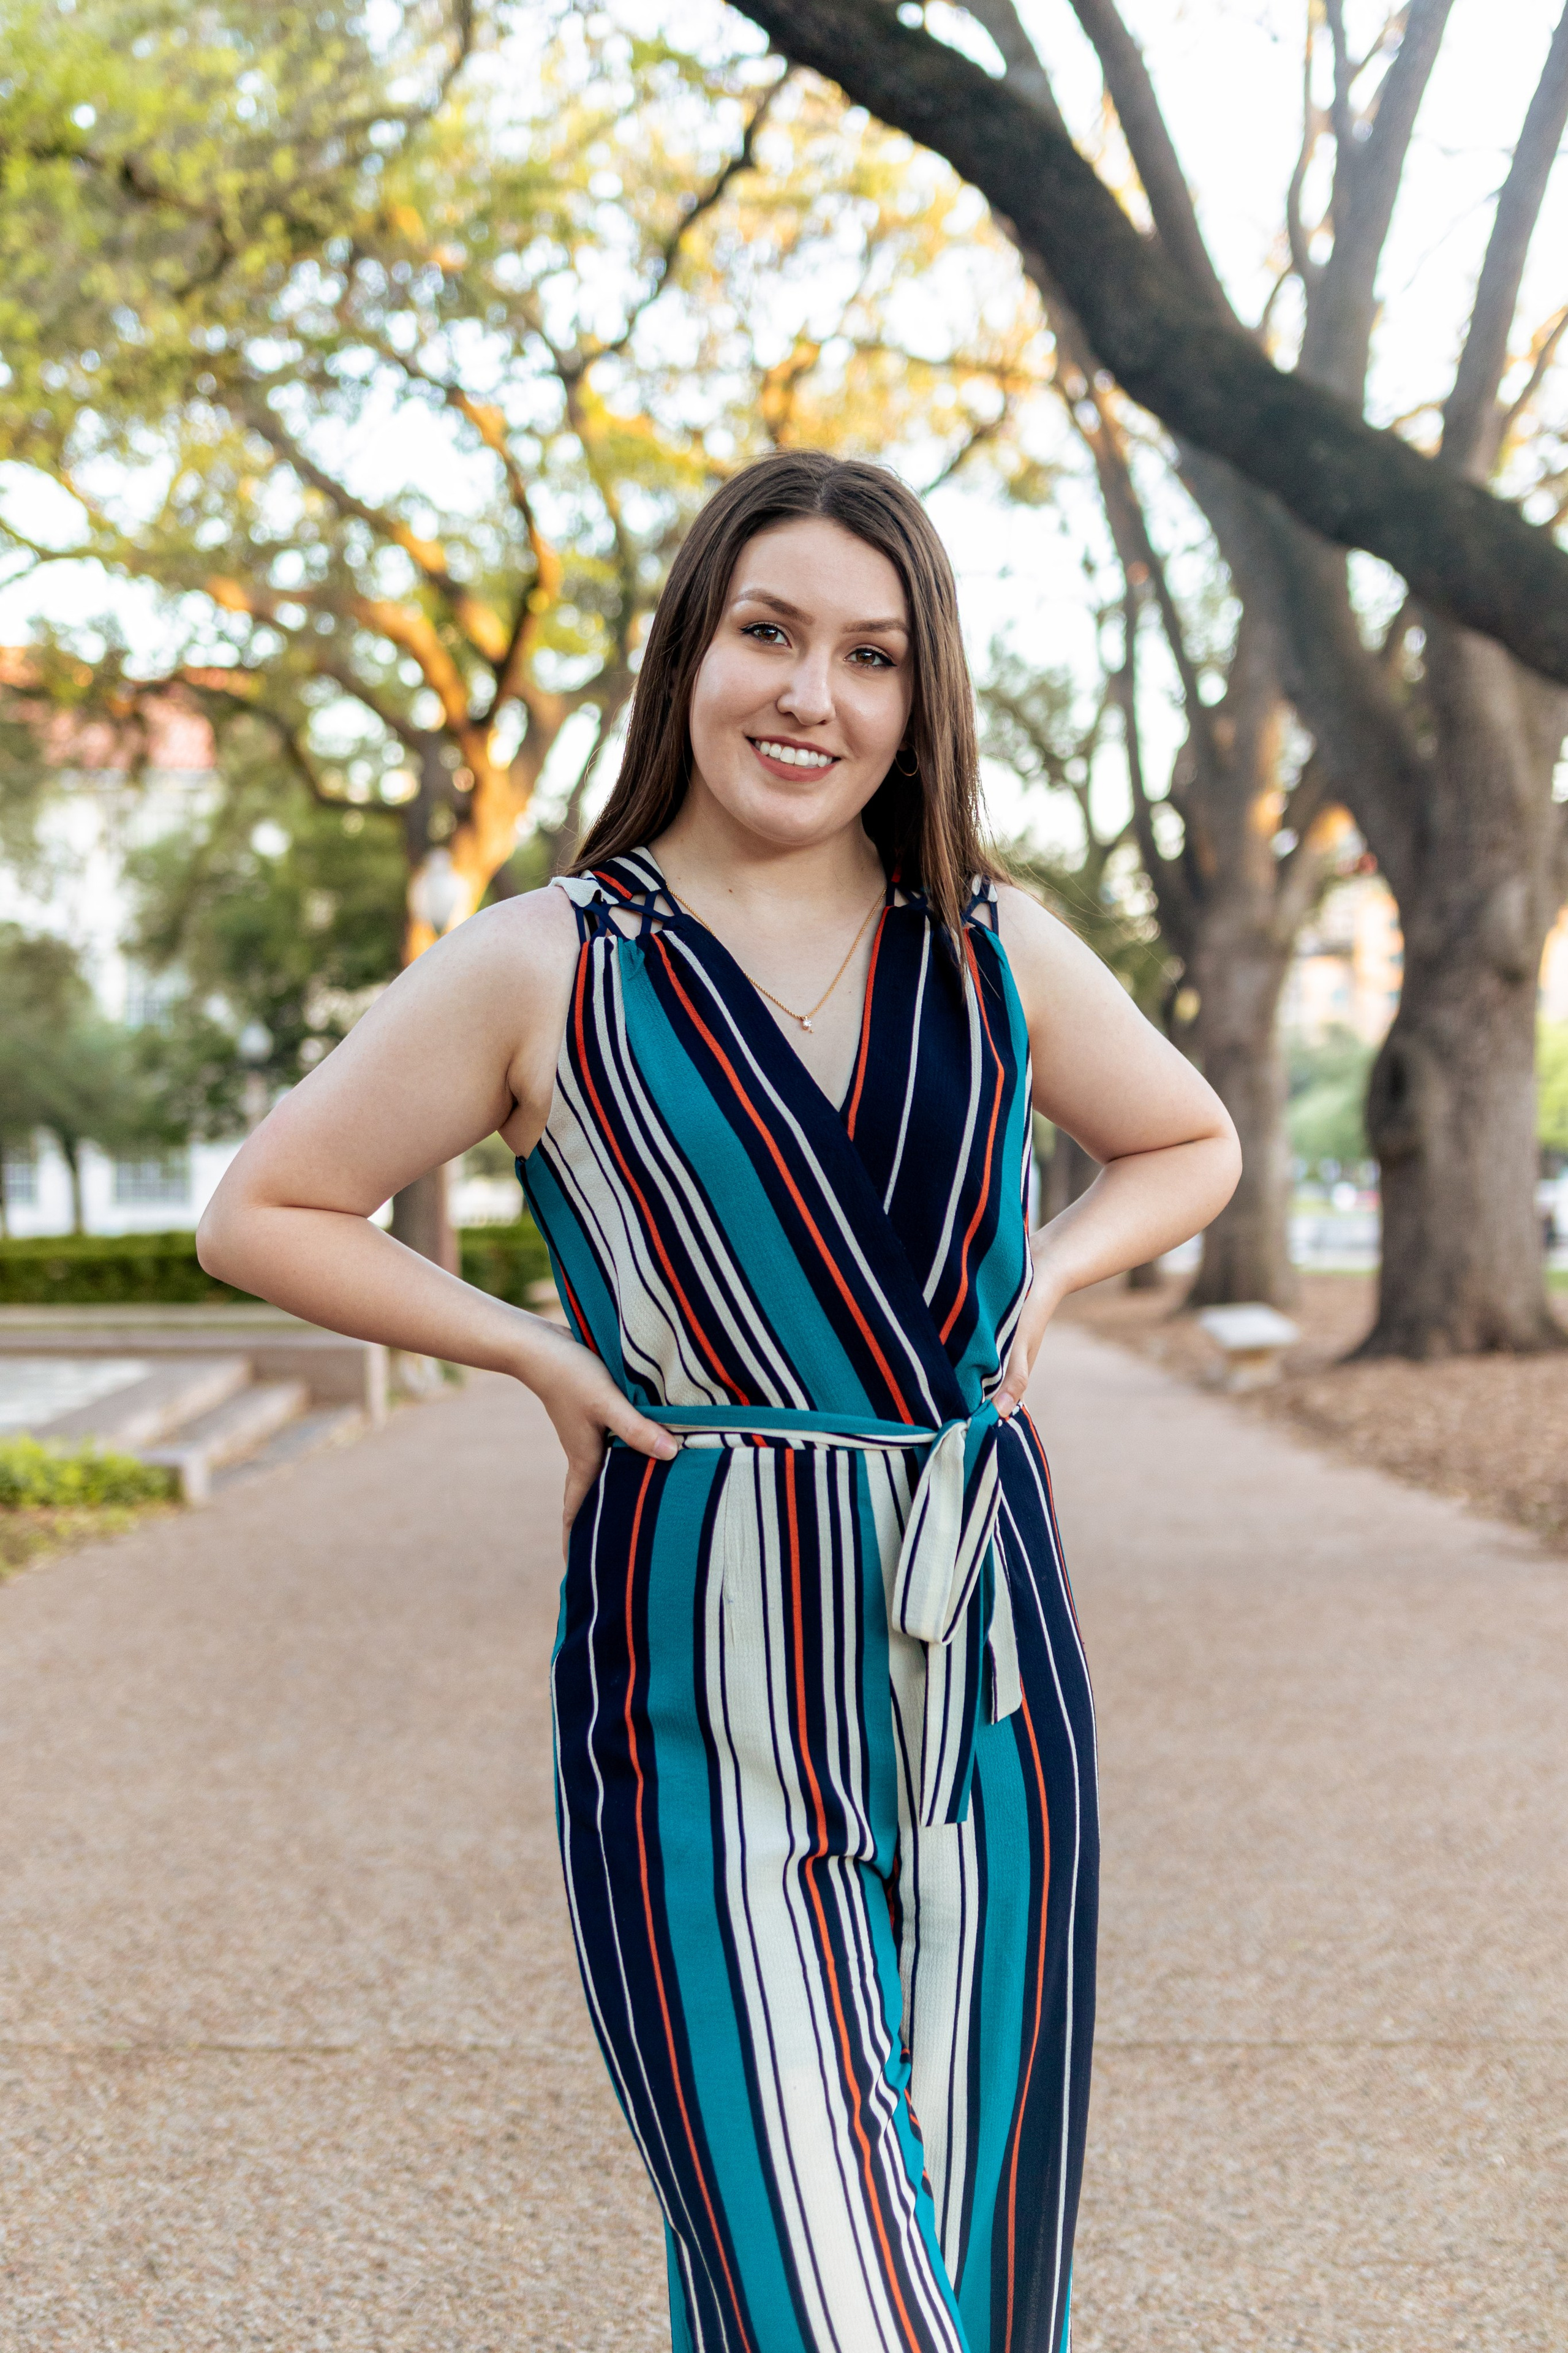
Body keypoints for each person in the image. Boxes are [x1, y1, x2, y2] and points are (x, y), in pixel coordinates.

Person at [198, 449, 1240, 2352]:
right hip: (699, 1665)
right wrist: (537, 1351)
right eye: (769, 632)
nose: (810, 694)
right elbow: (263, 1207)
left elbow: (1191, 1139)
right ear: (690, 647)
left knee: (980, 2278)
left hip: (990, 1662)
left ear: (920, 697)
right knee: (819, 2286)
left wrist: (1055, 1270)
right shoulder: (549, 958)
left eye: (873, 655)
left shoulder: (989, 942)